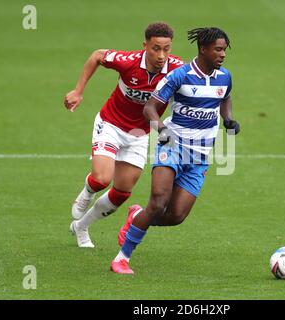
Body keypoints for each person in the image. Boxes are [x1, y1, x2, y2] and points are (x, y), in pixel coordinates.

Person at [110, 27, 240, 274]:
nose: (223, 54)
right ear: (203, 49)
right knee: (158, 203)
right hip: (172, 146)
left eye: (224, 50)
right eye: (218, 49)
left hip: (200, 155)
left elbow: (225, 97)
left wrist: (228, 119)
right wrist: (160, 128)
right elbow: (149, 108)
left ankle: (137, 216)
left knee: (176, 216)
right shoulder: (179, 76)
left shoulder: (225, 77)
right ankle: (122, 258)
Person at [64, 22, 184, 248]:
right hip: (111, 124)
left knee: (122, 192)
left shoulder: (177, 69)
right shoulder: (128, 62)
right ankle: (87, 192)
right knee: (101, 179)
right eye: (156, 48)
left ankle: (81, 227)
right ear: (145, 46)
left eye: (166, 49)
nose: (161, 55)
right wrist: (78, 91)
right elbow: (97, 56)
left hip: (139, 134)